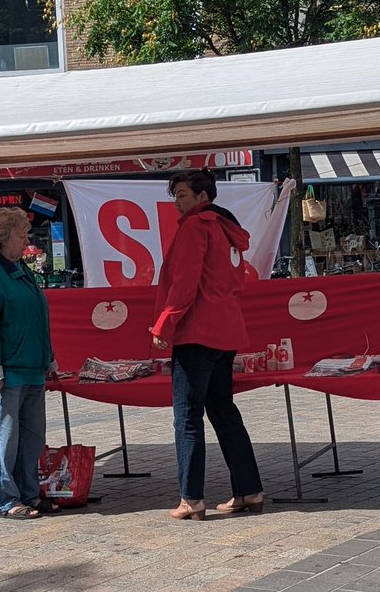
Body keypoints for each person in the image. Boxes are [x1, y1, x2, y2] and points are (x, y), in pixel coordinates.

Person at [151, 169, 264, 521]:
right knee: (223, 411)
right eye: (175, 195)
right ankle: (249, 491)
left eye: (182, 194)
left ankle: (192, 498)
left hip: (197, 331)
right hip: (226, 331)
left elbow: (184, 283)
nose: (176, 203)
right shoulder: (226, 230)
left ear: (202, 196)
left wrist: (164, 323)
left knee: (187, 416)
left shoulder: (196, 227)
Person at [0, 207, 58, 520]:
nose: (27, 240)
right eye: (22, 234)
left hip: (31, 367)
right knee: (6, 439)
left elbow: (36, 316)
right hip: (7, 371)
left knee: (32, 438)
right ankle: (6, 499)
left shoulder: (19, 268)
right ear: (3, 237)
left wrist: (48, 358)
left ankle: (29, 493)